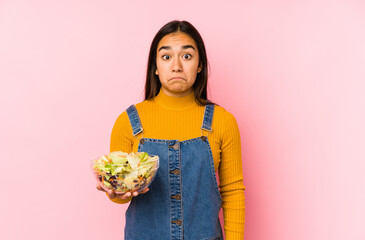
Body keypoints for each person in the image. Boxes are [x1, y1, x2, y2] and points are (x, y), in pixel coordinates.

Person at [96, 20, 246, 240]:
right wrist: (116, 192)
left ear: (200, 64)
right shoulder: (128, 122)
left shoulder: (223, 122)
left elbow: (233, 192)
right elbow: (122, 193)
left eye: (187, 56)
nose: (176, 66)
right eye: (166, 57)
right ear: (155, 67)